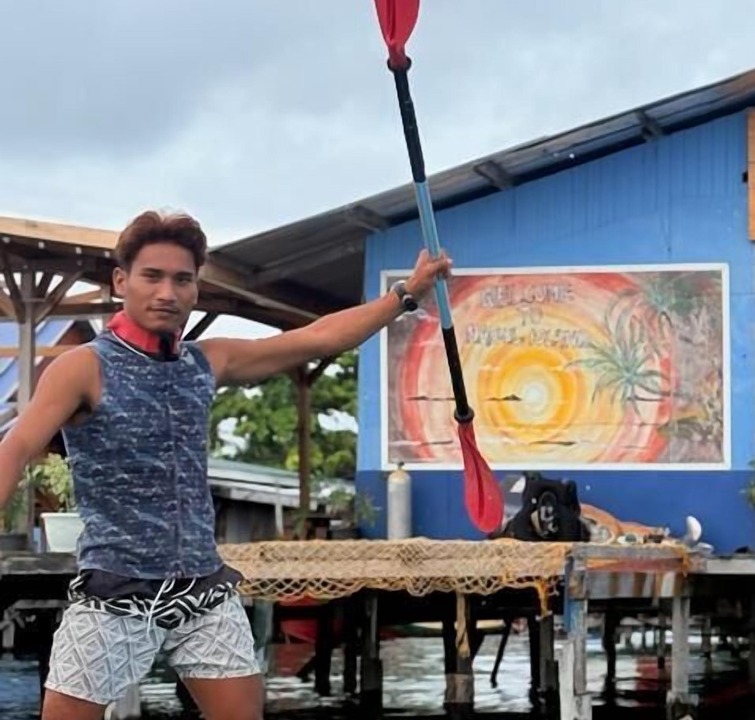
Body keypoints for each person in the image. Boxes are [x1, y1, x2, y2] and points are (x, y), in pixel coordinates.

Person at [0, 210, 452, 720]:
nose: (167, 292)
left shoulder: (205, 362)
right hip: (114, 591)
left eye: (182, 280)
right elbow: (16, 448)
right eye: (152, 276)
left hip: (203, 591)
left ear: (195, 290)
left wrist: (405, 295)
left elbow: (317, 339)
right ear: (121, 281)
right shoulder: (83, 366)